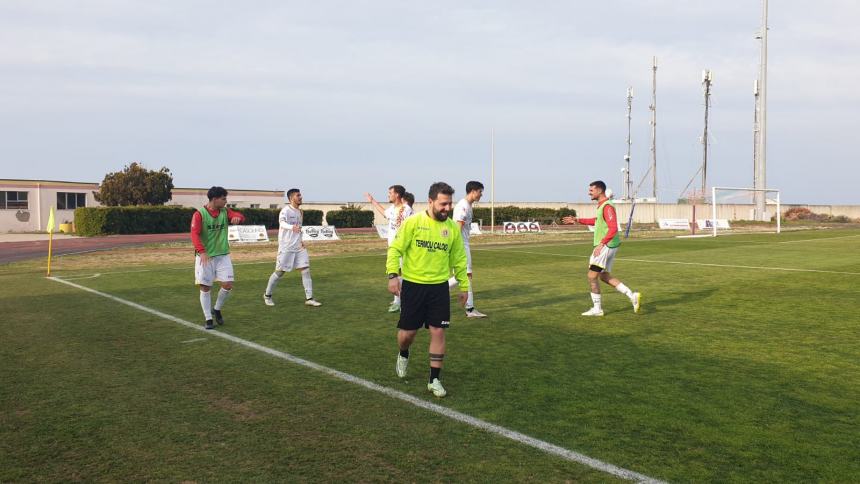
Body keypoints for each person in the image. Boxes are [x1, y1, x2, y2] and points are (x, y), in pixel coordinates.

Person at [387, 182, 469, 398]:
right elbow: (395, 249)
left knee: (438, 331)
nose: (447, 208)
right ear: (431, 201)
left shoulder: (451, 228)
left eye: (450, 203)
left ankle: (434, 380)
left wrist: (464, 286)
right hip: (413, 286)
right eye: (443, 204)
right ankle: (403, 353)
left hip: (439, 288)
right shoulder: (414, 223)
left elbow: (459, 259)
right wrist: (393, 275)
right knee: (407, 334)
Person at [562, 180, 640, 316]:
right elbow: (596, 221)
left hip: (606, 245)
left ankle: (597, 309)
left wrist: (602, 244)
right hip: (609, 245)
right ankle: (632, 295)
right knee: (604, 276)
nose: (589, 193)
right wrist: (577, 220)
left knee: (592, 276)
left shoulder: (607, 206)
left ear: (599, 190)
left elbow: (613, 228)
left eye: (591, 190)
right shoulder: (602, 206)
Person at [191, 186, 245, 330]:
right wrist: (201, 252)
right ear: (214, 199)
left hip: (223, 255)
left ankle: (217, 309)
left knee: (227, 284)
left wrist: (237, 218)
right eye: (223, 198)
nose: (226, 201)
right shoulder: (199, 214)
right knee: (205, 287)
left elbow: (240, 216)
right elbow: (194, 234)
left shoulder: (225, 211)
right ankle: (208, 318)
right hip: (206, 257)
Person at [263, 188, 322, 308]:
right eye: (298, 195)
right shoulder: (285, 211)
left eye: (300, 195)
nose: (301, 197)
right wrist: (291, 227)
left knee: (305, 270)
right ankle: (267, 295)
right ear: (291, 198)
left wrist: (301, 240)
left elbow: (299, 228)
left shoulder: (300, 212)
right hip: (286, 246)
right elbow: (282, 223)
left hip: (299, 246)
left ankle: (309, 298)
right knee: (280, 272)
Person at [365, 185, 414, 312]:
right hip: (393, 248)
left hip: (403, 248)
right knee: (394, 273)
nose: (388, 195)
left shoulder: (405, 209)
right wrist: (372, 200)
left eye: (390, 192)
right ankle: (397, 301)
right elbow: (384, 212)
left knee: (404, 274)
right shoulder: (393, 208)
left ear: (397, 194)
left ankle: (405, 302)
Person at [448, 181, 487, 318]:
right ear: (473, 191)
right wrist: (456, 249)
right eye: (480, 191)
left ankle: (437, 293)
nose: (481, 194)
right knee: (466, 276)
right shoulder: (463, 206)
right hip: (460, 246)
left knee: (464, 276)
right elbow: (457, 229)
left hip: (463, 244)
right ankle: (470, 309)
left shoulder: (468, 205)